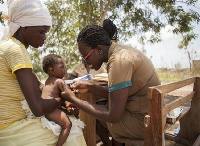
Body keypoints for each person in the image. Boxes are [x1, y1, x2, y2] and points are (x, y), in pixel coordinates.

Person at [61, 19, 161, 145]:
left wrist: (74, 100)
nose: (84, 61)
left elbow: (113, 115)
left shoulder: (119, 61)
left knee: (91, 115)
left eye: (85, 56)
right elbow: (117, 93)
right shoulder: (120, 52)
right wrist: (91, 87)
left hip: (144, 122)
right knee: (97, 106)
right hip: (149, 113)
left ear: (99, 49)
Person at [0, 0, 86, 145]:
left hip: (8, 124)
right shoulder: (16, 50)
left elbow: (39, 88)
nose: (44, 37)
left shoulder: (9, 46)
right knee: (74, 128)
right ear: (24, 26)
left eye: (45, 32)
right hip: (11, 128)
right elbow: (38, 108)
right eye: (41, 32)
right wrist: (64, 98)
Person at [41, 54, 72, 146]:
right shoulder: (59, 81)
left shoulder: (47, 81)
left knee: (67, 113)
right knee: (67, 124)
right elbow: (68, 95)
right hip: (51, 110)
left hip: (45, 108)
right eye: (62, 67)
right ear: (52, 70)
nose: (65, 70)